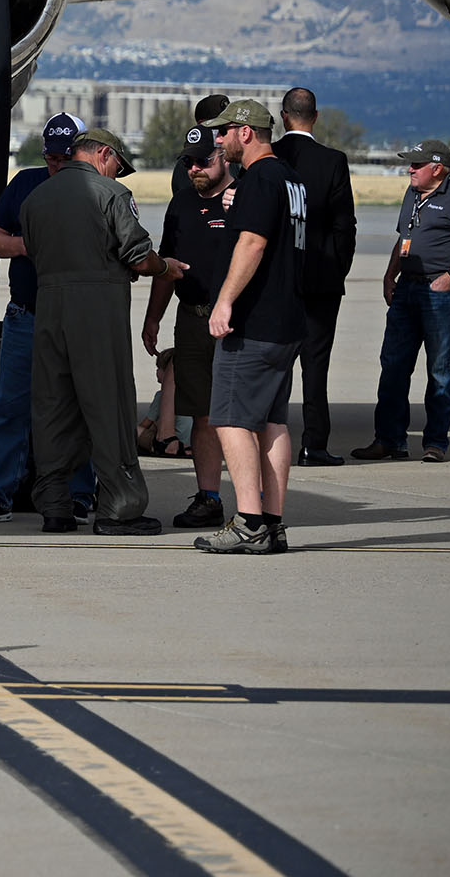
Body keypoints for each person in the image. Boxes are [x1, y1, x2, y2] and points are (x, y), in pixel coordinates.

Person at [21, 128, 164, 534]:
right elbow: (138, 257)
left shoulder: (35, 200)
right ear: (103, 154)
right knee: (111, 403)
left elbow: (35, 252)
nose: (118, 174)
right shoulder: (110, 195)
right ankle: (119, 507)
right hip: (97, 310)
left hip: (49, 307)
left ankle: (54, 505)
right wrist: (165, 267)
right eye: (118, 165)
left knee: (52, 406)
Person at [0, 112, 96, 524]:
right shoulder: (26, 182)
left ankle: (80, 492)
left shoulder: (98, 189)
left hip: (76, 315)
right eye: (52, 157)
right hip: (27, 315)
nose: (57, 165)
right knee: (9, 406)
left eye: (65, 157)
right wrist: (26, 246)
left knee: (75, 406)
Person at [198, 98, 308, 555]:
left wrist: (224, 301)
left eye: (224, 132)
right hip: (288, 320)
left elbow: (253, 242)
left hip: (255, 323)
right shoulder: (291, 180)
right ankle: (273, 523)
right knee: (272, 422)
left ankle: (248, 521)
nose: (218, 141)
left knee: (229, 419)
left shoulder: (260, 179)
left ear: (246, 132)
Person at [355, 139, 450, 464]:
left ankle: (435, 443)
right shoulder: (413, 194)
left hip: (441, 293)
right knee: (393, 366)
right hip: (406, 290)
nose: (410, 169)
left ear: (437, 168)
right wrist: (390, 276)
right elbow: (405, 237)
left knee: (439, 370)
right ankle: (389, 441)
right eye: (410, 164)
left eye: (416, 165)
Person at [145, 125, 234, 528]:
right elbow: (168, 267)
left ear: (224, 158)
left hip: (235, 322)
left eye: (204, 161)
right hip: (192, 319)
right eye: (189, 162)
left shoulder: (244, 201)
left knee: (239, 414)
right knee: (201, 414)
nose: (196, 168)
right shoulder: (181, 204)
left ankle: (259, 502)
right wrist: (153, 318)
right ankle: (208, 496)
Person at [272, 88, 358, 467]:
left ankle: (265, 442)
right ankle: (314, 444)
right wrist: (337, 267)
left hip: (274, 280)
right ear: (316, 117)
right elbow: (345, 224)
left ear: (284, 116)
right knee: (315, 366)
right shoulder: (333, 161)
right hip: (321, 278)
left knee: (271, 364)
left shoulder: (268, 158)